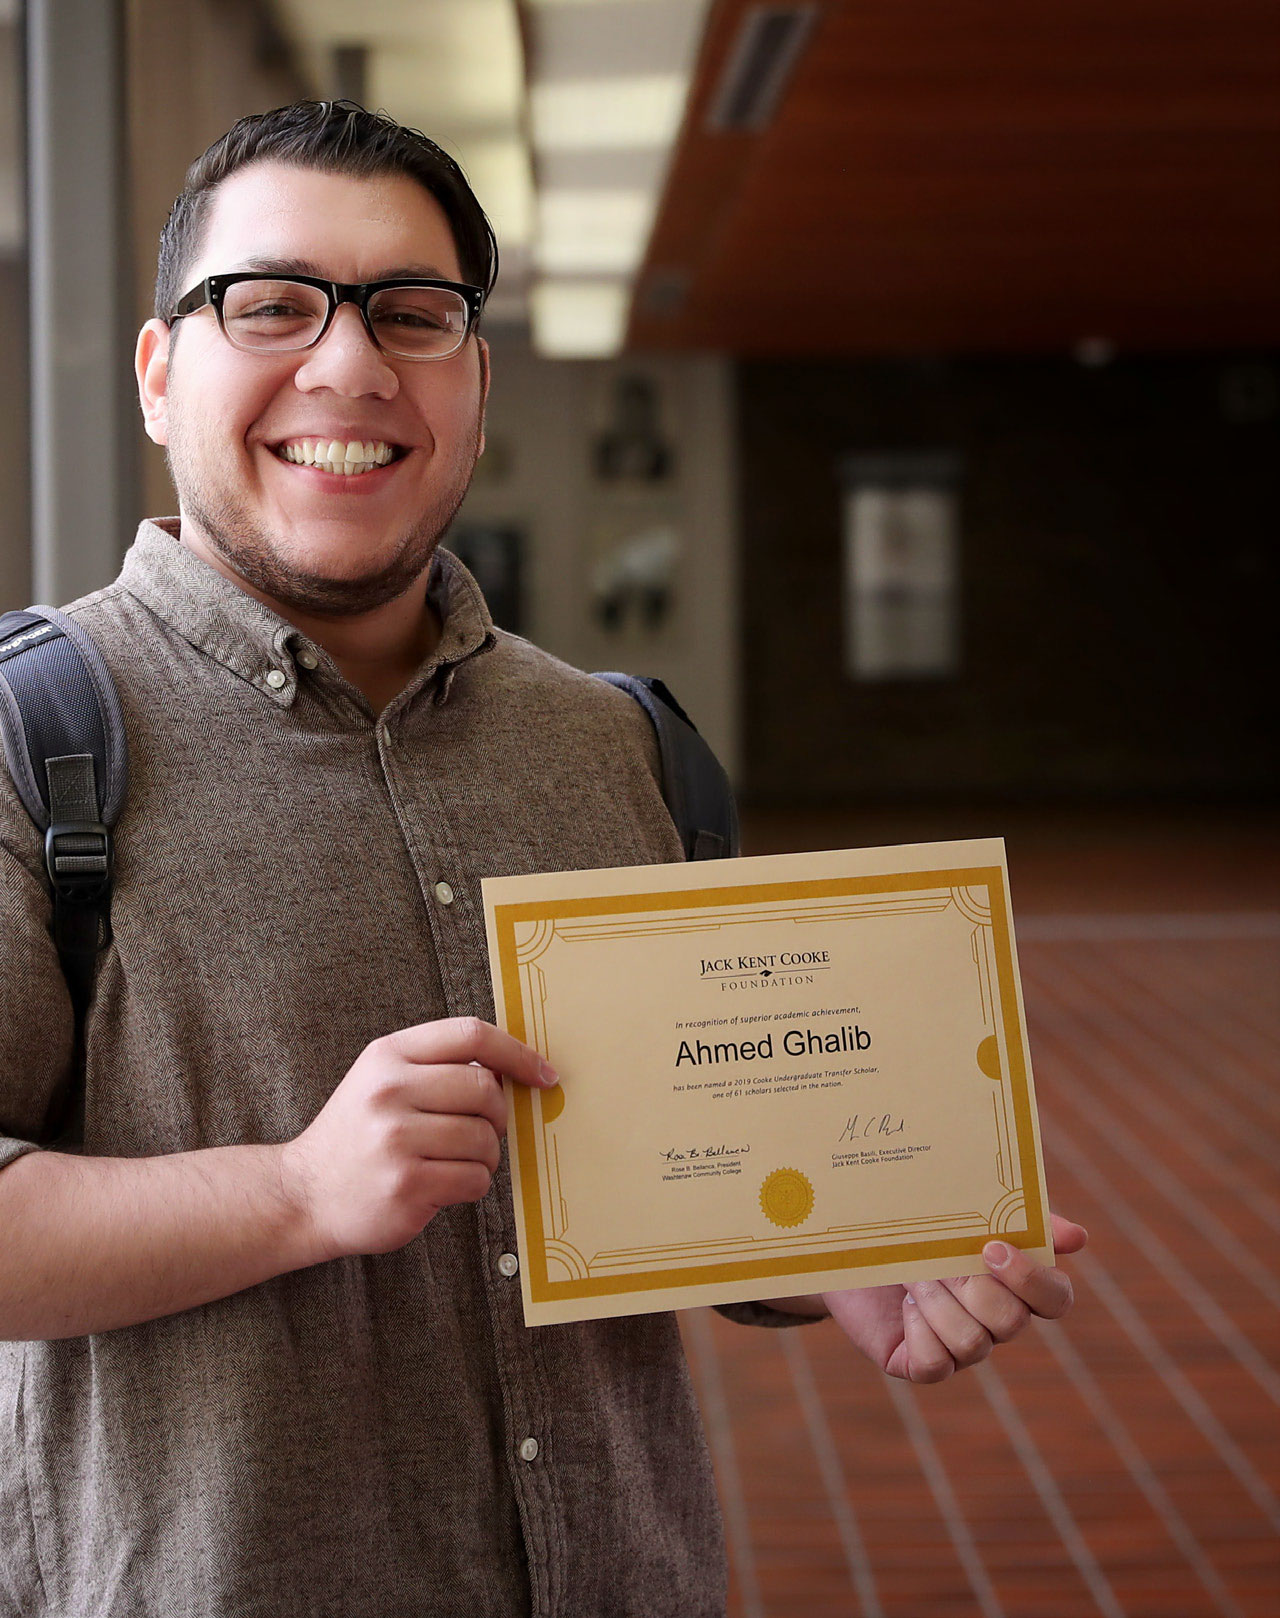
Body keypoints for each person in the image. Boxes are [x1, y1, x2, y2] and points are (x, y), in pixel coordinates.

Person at [0, 101, 1086, 1618]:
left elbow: (667, 1149)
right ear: (158, 372)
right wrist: (301, 1192)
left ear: (477, 383)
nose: (350, 361)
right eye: (272, 304)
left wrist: (846, 1247)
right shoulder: (36, 735)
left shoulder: (613, 742)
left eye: (414, 312)